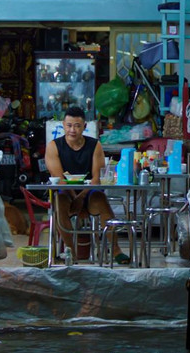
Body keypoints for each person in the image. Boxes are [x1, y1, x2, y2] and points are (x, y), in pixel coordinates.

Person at [45, 106, 129, 264]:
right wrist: (74, 198)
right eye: (69, 125)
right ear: (63, 125)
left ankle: (116, 250)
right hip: (66, 193)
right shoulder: (53, 146)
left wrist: (81, 198)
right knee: (59, 201)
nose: (72, 130)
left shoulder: (94, 145)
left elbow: (97, 178)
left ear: (84, 127)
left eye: (77, 126)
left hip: (88, 192)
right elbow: (59, 178)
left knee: (100, 198)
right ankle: (70, 251)